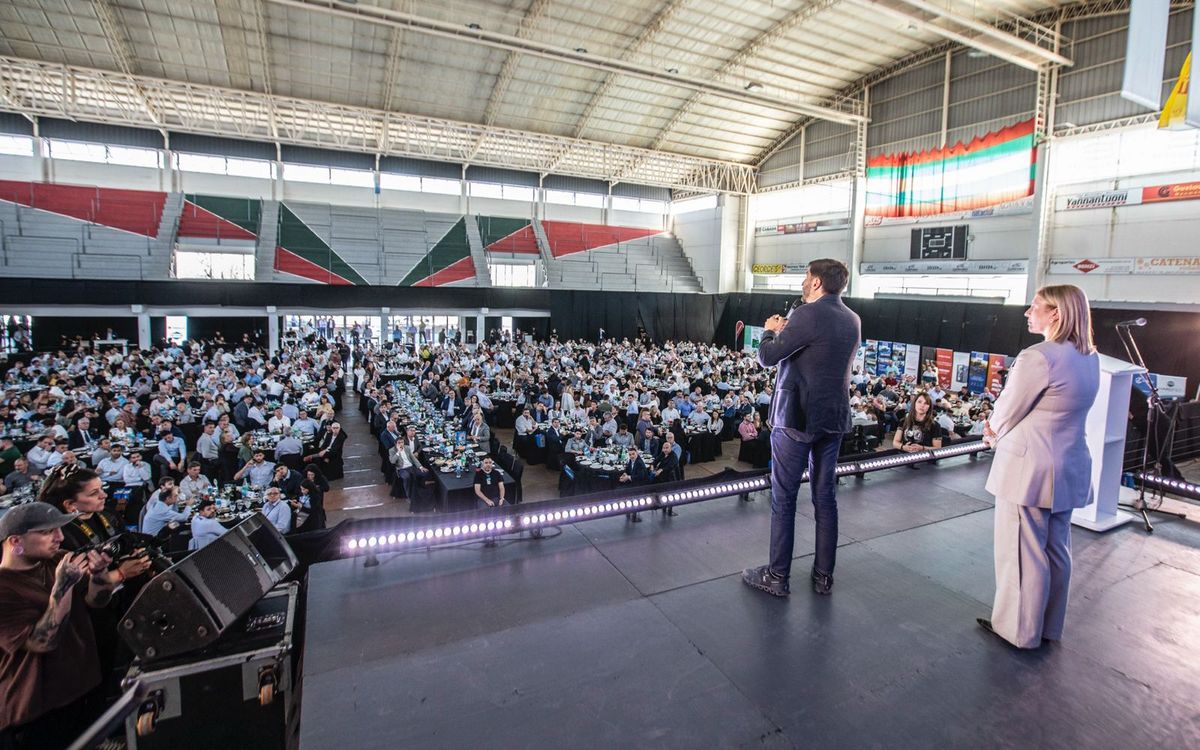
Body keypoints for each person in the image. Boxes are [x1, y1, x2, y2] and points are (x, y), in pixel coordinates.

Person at [977, 285, 1100, 649]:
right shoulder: (1090, 357)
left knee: (1021, 551)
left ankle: (1018, 631)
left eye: (1035, 307)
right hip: (1068, 466)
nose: (1028, 313)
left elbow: (1010, 406)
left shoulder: (1038, 356)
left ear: (1056, 314)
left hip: (1029, 468)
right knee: (1056, 550)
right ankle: (1048, 626)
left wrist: (991, 430)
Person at [743, 258, 861, 598]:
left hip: (797, 418)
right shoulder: (852, 319)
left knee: (784, 498)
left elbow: (768, 356)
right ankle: (824, 576)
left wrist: (770, 330)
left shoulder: (806, 314)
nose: (803, 282)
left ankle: (777, 576)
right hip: (834, 417)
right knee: (826, 498)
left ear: (817, 283)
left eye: (806, 277)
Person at [0, 502, 115, 749]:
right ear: (15, 542)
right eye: (47, 532)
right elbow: (43, 641)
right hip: (36, 712)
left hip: (80, 692)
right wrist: (62, 588)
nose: (60, 537)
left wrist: (99, 577)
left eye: (59, 529)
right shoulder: (4, 588)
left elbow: (96, 602)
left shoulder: (58, 560)